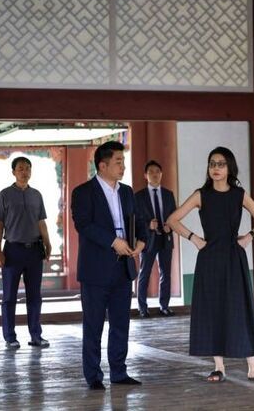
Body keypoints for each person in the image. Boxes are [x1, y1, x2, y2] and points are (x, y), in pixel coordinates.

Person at [166, 146, 254, 383]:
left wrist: (249, 237)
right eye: (212, 164)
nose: (216, 168)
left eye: (221, 164)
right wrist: (194, 239)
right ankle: (219, 367)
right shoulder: (200, 195)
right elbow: (172, 220)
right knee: (213, 309)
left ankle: (253, 368)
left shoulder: (239, 194)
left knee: (241, 308)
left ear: (229, 168)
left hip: (234, 257)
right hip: (210, 258)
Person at [71, 141, 147, 390]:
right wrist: (113, 241)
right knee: (93, 325)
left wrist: (142, 241)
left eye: (123, 162)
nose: (123, 167)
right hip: (95, 270)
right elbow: (84, 225)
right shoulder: (83, 192)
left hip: (123, 268)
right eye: (118, 162)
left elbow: (139, 220)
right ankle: (93, 376)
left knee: (121, 324)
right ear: (102, 166)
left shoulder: (126, 192)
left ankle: (119, 372)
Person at [0, 156, 52, 349]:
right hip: (12, 250)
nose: (25, 172)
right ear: (13, 172)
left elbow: (41, 221)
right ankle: (10, 337)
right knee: (9, 296)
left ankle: (36, 336)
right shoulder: (4, 195)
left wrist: (48, 243)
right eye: (20, 168)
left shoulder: (37, 195)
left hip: (35, 250)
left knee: (35, 296)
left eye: (27, 168)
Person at [135, 160, 177, 317]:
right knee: (144, 273)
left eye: (157, 171)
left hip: (166, 239)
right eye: (151, 172)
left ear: (161, 174)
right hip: (147, 239)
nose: (155, 174)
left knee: (166, 274)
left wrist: (170, 226)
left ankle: (164, 306)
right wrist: (148, 225)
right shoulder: (139, 196)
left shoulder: (168, 194)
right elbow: (135, 219)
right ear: (145, 175)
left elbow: (174, 215)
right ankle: (142, 308)